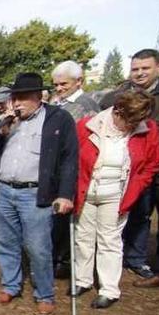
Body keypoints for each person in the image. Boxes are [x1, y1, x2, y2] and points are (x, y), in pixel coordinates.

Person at [0, 72, 78, 315]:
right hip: (4, 190)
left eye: (23, 97)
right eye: (15, 97)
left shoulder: (58, 119)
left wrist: (65, 194)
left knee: (38, 247)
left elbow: (69, 159)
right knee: (4, 242)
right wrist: (1, 131)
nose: (18, 103)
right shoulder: (6, 121)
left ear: (38, 96)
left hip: (35, 193)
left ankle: (44, 294)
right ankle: (10, 285)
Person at [73, 91, 159, 309]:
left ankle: (108, 289)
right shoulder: (88, 126)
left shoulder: (148, 131)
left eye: (136, 121)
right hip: (87, 190)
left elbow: (152, 162)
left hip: (117, 194)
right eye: (128, 120)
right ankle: (82, 280)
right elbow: (73, 157)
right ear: (118, 110)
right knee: (83, 237)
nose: (130, 125)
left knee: (109, 240)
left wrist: (138, 185)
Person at [101, 49, 159, 285]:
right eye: (135, 69)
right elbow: (104, 107)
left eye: (145, 68)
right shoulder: (122, 94)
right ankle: (126, 256)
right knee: (133, 213)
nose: (140, 73)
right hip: (128, 168)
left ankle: (158, 268)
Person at [50, 60, 101, 278]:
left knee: (65, 218)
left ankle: (63, 260)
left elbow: (85, 144)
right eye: (56, 85)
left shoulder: (86, 106)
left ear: (79, 81)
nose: (59, 89)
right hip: (54, 167)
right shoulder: (58, 103)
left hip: (73, 168)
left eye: (64, 84)